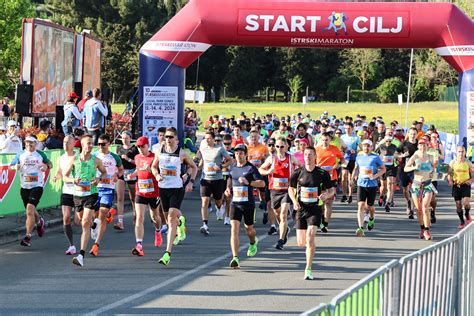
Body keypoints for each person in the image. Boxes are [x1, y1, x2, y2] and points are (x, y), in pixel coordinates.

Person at [151, 127, 197, 266]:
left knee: (171, 218)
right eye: (166, 137)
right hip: (163, 188)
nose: (168, 139)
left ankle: (167, 253)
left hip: (177, 188)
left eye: (171, 137)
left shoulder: (182, 153)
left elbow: (194, 167)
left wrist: (190, 182)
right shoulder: (159, 151)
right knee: (167, 218)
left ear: (176, 139)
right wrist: (157, 175)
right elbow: (153, 167)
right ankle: (180, 223)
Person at [288, 146, 335, 280]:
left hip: (315, 209)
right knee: (301, 242)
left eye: (310, 155)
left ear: (315, 157)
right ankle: (309, 248)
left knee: (310, 237)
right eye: (306, 154)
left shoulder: (321, 173)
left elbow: (331, 190)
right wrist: (294, 201)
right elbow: (290, 189)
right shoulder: (297, 173)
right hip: (301, 209)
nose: (308, 157)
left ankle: (308, 269)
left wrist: (326, 195)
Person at [67, 135, 107, 267]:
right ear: (82, 145)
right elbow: (65, 176)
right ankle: (94, 225)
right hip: (78, 195)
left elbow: (104, 172)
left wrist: (98, 179)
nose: (90, 146)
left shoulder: (96, 160)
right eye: (88, 144)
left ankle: (81, 255)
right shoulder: (74, 159)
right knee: (79, 221)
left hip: (91, 193)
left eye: (91, 144)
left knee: (84, 222)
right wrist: (73, 180)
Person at [225, 144, 265, 269]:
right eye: (236, 153)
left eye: (241, 153)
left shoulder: (251, 168)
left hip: (248, 204)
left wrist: (250, 183)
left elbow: (262, 183)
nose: (238, 155)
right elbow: (231, 178)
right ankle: (235, 258)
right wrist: (227, 188)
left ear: (245, 155)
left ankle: (253, 242)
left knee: (249, 229)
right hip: (235, 203)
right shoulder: (232, 167)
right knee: (234, 229)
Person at [9, 135, 52, 247]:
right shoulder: (20, 154)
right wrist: (15, 167)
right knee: (31, 211)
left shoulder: (40, 154)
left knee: (29, 210)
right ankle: (40, 221)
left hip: (37, 186)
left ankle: (28, 237)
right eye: (27, 142)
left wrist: (46, 167)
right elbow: (10, 166)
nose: (28, 144)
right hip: (24, 186)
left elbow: (50, 163)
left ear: (36, 143)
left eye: (31, 142)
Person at [259, 137, 300, 250]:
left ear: (287, 147)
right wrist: (268, 171)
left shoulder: (291, 158)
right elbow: (260, 170)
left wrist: (296, 177)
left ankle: (281, 240)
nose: (279, 149)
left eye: (282, 146)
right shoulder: (271, 158)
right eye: (277, 146)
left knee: (283, 214)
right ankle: (284, 228)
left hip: (287, 190)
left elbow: (301, 167)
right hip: (275, 190)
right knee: (277, 214)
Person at [90, 134, 124, 256]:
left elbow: (121, 169)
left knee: (102, 214)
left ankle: (96, 245)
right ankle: (110, 214)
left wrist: (117, 176)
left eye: (103, 144)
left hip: (107, 189)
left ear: (109, 144)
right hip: (95, 189)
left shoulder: (114, 157)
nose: (100, 146)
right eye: (98, 144)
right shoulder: (94, 156)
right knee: (95, 216)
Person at [130, 136, 163, 256]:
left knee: (155, 217)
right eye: (138, 147)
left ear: (148, 146)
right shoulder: (137, 157)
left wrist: (150, 169)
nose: (140, 149)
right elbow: (138, 170)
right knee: (139, 217)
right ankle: (139, 245)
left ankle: (158, 231)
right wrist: (132, 175)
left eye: (142, 147)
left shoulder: (154, 157)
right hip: (141, 192)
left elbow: (158, 172)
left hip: (154, 192)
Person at [197, 131, 232, 235]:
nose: (207, 140)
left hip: (217, 179)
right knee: (205, 201)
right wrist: (197, 166)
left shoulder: (219, 149)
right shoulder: (202, 148)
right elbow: (200, 159)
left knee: (218, 201)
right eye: (206, 138)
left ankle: (219, 207)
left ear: (213, 139)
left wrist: (221, 167)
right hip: (205, 178)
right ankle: (205, 224)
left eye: (209, 138)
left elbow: (230, 160)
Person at [404, 138, 438, 240]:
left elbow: (433, 170)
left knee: (425, 207)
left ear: (427, 146)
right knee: (418, 210)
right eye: (421, 145)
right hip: (416, 185)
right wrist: (414, 167)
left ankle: (427, 230)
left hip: (427, 185)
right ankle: (422, 228)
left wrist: (432, 172)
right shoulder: (415, 156)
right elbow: (406, 168)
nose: (423, 147)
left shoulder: (431, 157)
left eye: (425, 145)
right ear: (418, 146)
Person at [351, 140, 386, 237]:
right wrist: (352, 178)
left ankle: (371, 218)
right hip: (361, 184)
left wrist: (375, 176)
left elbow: (383, 169)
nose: (366, 148)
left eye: (368, 146)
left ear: (371, 147)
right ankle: (361, 228)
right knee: (361, 205)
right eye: (364, 146)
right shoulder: (359, 157)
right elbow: (356, 168)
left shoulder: (375, 157)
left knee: (370, 207)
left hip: (372, 185)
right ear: (362, 147)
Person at [52, 135, 78, 254]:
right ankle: (71, 245)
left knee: (79, 221)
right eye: (64, 142)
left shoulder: (78, 157)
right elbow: (59, 172)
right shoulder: (61, 158)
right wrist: (56, 177)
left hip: (79, 191)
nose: (65, 144)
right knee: (66, 218)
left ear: (73, 144)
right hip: (67, 191)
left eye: (68, 142)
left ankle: (93, 225)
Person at [315, 132, 344, 232]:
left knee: (329, 202)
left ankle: (325, 223)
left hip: (332, 177)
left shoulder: (334, 148)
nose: (325, 142)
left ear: (330, 140)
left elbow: (342, 158)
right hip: (319, 178)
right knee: (321, 201)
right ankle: (322, 219)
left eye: (326, 140)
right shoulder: (317, 149)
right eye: (323, 140)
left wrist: (339, 164)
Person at [115, 131, 139, 230]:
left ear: (130, 138)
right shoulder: (119, 149)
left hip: (131, 172)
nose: (124, 140)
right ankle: (120, 222)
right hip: (121, 172)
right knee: (120, 197)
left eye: (126, 138)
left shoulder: (134, 149)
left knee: (133, 197)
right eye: (123, 138)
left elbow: (137, 162)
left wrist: (128, 159)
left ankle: (136, 214)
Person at [448, 146, 473, 229]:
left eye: (462, 152)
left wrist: (470, 180)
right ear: (456, 152)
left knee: (466, 203)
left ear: (465, 152)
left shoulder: (468, 163)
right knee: (458, 205)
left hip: (465, 185)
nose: (461, 153)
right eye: (459, 151)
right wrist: (450, 181)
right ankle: (462, 221)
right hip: (456, 185)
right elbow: (449, 174)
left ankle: (467, 214)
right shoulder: (452, 162)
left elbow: (473, 175)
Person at [397, 128, 418, 219]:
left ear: (417, 134)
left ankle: (412, 208)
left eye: (414, 134)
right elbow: (395, 154)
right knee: (405, 190)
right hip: (404, 169)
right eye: (411, 134)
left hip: (415, 170)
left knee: (414, 189)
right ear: (408, 134)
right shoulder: (404, 143)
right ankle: (408, 202)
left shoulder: (419, 144)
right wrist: (402, 155)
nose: (413, 136)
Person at [376, 135, 398, 212]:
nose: (388, 143)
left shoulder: (394, 146)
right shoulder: (380, 146)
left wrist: (398, 157)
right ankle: (382, 196)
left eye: (390, 141)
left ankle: (388, 203)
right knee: (383, 187)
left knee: (390, 184)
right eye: (387, 141)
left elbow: (398, 155)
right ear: (384, 141)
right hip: (383, 168)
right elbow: (375, 155)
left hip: (392, 167)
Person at [340, 122, 361, 204]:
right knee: (343, 177)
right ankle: (344, 194)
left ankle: (350, 195)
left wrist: (355, 151)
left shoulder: (356, 138)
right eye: (346, 128)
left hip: (353, 159)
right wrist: (343, 151)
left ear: (352, 129)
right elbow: (340, 148)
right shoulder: (342, 137)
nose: (347, 130)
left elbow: (361, 149)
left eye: (349, 128)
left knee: (350, 178)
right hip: (345, 159)